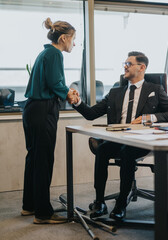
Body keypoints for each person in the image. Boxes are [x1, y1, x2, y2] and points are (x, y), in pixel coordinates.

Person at [72, 51, 168, 221]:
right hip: (117, 138)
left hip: (140, 142)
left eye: (129, 64)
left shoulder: (155, 90)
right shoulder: (115, 93)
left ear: (142, 67)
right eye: (125, 63)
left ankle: (121, 203)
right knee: (102, 150)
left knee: (127, 152)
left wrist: (149, 118)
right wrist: (77, 102)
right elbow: (91, 114)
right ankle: (99, 201)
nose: (125, 66)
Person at [22, 17, 78, 224]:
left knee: (34, 159)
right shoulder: (55, 53)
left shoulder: (44, 53)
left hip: (31, 109)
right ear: (64, 38)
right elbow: (56, 83)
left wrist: (65, 91)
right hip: (44, 110)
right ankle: (43, 213)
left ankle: (30, 206)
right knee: (43, 160)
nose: (74, 43)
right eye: (73, 39)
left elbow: (52, 83)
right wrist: (70, 94)